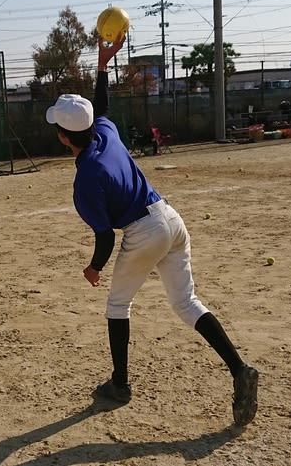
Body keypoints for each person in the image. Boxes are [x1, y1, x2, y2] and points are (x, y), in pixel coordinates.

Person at [45, 34, 259, 427]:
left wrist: (94, 268)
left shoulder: (86, 178)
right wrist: (103, 64)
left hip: (144, 232)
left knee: (117, 306)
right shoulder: (106, 132)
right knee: (186, 302)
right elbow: (103, 107)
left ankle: (120, 385)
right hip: (171, 218)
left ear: (62, 136)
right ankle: (239, 369)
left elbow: (106, 235)